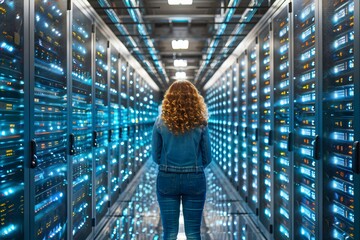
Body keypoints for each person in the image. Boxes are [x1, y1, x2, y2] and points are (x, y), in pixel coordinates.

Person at [152, 80, 212, 240]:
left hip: (167, 178)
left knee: (169, 233)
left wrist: (167, 165)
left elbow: (155, 156)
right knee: (193, 233)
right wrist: (195, 167)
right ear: (194, 99)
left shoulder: (160, 122)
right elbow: (207, 157)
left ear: (169, 99)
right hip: (195, 179)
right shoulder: (201, 123)